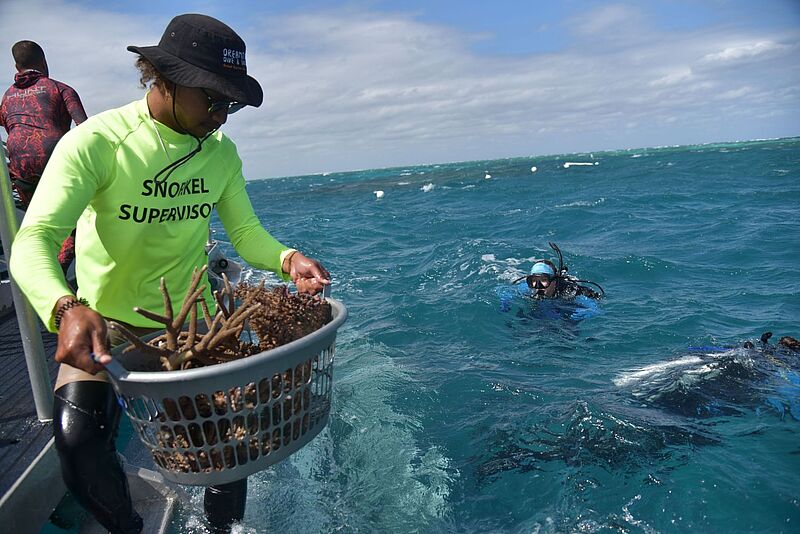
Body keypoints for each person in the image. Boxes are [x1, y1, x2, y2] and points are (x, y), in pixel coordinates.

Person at [10, 14, 330, 534]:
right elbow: (35, 240)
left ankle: (223, 529)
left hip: (191, 327)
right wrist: (64, 306)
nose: (223, 116)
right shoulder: (98, 142)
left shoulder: (222, 155)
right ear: (163, 78)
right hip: (104, 325)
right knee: (76, 442)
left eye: (232, 104)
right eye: (214, 99)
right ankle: (129, 528)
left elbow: (246, 233)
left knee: (224, 450)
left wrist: (288, 259)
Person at [0, 40, 87, 274]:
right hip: (54, 163)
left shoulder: (7, 96)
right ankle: (56, 274)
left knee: (40, 224)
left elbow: (10, 124)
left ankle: (36, 269)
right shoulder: (61, 89)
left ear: (17, 66)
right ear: (44, 62)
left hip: (20, 168)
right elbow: (85, 129)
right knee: (77, 226)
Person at [495, 242, 604, 321]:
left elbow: (594, 304)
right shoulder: (528, 288)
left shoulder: (568, 290)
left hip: (565, 311)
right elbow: (506, 290)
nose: (538, 286)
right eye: (533, 280)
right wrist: (505, 302)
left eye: (543, 280)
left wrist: (587, 312)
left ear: (554, 281)